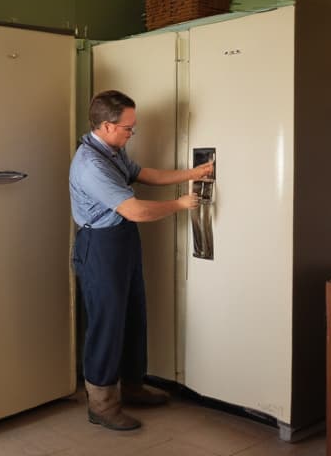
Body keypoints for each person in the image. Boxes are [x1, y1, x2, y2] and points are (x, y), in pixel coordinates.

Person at [69, 90, 213, 431]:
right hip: (100, 245)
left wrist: (195, 171)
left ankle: (132, 386)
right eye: (128, 128)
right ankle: (102, 405)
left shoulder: (113, 150)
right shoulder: (91, 164)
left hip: (123, 240)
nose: (132, 133)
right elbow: (135, 210)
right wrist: (180, 205)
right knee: (106, 321)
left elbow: (144, 174)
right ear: (106, 126)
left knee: (133, 313)